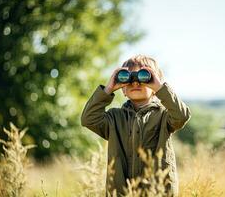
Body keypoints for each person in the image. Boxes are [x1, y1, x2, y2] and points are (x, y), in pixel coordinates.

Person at [81, 55, 191, 196]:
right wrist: (108, 88)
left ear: (154, 86)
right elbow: (88, 119)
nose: (135, 83)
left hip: (157, 192)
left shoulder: (164, 116)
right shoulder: (115, 118)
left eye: (144, 76)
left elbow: (182, 116)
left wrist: (160, 88)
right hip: (122, 192)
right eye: (129, 79)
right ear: (123, 89)